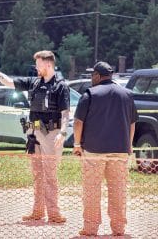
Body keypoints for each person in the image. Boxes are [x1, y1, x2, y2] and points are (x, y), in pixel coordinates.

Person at [0, 51, 70, 223]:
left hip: (51, 134)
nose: (35, 67)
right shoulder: (34, 83)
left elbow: (66, 113)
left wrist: (63, 132)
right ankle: (37, 211)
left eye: (38, 64)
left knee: (50, 175)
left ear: (48, 64)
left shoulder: (60, 86)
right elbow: (8, 82)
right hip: (34, 132)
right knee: (37, 174)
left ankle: (54, 213)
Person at [73, 61, 137, 236]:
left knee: (92, 190)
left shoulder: (90, 94)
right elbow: (132, 124)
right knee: (118, 190)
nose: (91, 78)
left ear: (97, 76)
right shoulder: (127, 94)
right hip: (120, 151)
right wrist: (129, 146)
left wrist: (77, 144)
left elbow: (78, 122)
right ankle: (118, 228)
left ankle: (91, 228)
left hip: (94, 151)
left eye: (92, 75)